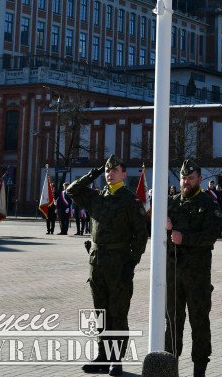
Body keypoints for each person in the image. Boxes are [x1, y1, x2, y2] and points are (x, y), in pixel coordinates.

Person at [67, 154, 147, 375]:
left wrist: (132, 261)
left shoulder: (131, 200)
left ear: (124, 174)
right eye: (106, 171)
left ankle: (116, 359)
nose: (109, 174)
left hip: (119, 263)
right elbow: (71, 191)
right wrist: (90, 174)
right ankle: (102, 356)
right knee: (100, 312)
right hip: (97, 263)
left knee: (117, 312)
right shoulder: (96, 197)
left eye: (114, 170)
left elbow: (140, 235)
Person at [165, 159, 222, 377]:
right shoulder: (171, 203)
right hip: (173, 274)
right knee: (172, 324)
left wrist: (184, 237)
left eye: (190, 178)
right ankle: (171, 368)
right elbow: (156, 234)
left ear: (199, 179)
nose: (186, 182)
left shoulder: (208, 203)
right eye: (183, 178)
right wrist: (165, 228)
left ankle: (199, 370)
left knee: (199, 322)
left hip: (197, 275)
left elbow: (211, 236)